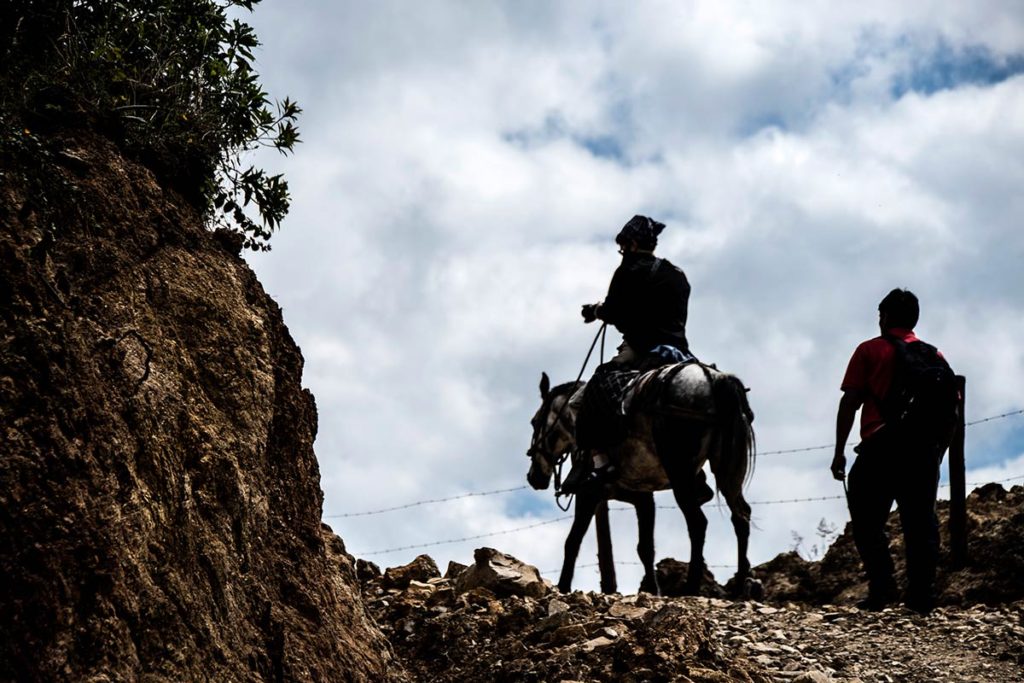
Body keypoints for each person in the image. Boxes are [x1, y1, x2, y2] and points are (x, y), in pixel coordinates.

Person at [831, 288, 955, 614]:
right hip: (924, 450)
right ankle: (921, 596)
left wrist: (839, 451)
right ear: (915, 319)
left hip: (880, 446)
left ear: (883, 317)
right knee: (920, 523)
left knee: (867, 521)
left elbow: (850, 401)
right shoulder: (934, 355)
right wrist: (937, 451)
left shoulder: (869, 350)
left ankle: (882, 588)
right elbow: (952, 407)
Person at [562, 215, 703, 495]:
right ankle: (697, 474)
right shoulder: (677, 274)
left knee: (579, 401)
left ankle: (601, 466)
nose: (623, 251)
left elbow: (615, 312)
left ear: (634, 243)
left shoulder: (628, 269)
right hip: (678, 353)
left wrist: (595, 311)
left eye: (624, 245)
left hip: (641, 349)